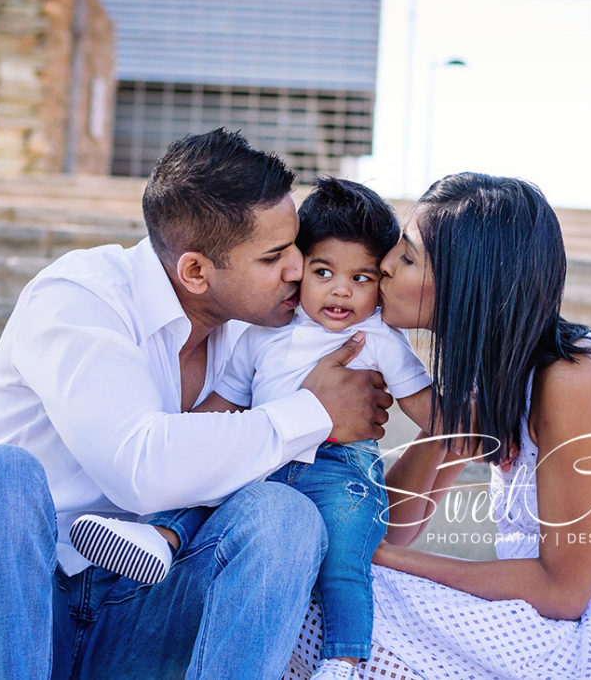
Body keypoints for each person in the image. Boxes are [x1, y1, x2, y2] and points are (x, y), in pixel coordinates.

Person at [0, 128, 394, 679]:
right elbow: (140, 470)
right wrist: (313, 410)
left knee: (286, 516)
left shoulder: (261, 334)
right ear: (196, 271)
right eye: (274, 256)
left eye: (296, 248)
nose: (298, 270)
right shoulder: (80, 295)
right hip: (0, 611)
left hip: (139, 611)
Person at [286, 173, 591, 679]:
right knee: (309, 574)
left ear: (467, 281)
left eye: (410, 257)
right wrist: (440, 430)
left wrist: (383, 562)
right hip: (546, 620)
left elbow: (563, 591)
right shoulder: (502, 375)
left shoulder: (576, 381)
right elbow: (395, 525)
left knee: (325, 593)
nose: (385, 266)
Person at [70, 178, 439, 680]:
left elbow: (429, 410)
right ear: (299, 270)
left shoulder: (377, 337)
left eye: (362, 278)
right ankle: (161, 536)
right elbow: (223, 407)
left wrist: (484, 422)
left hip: (340, 471)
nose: (340, 289)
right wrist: (179, 442)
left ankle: (344, 660)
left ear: (379, 287)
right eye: (323, 271)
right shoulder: (263, 334)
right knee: (207, 476)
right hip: (261, 458)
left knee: (346, 561)